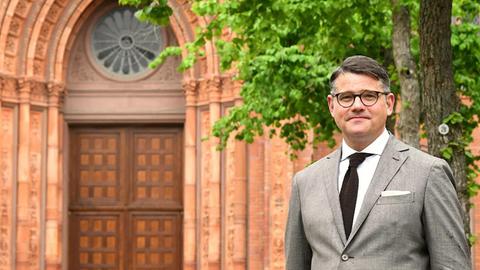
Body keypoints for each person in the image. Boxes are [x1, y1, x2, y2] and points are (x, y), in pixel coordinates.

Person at [285, 55, 471, 269]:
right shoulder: (306, 182)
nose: (357, 106)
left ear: (389, 103)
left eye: (369, 96)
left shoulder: (428, 172)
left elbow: (451, 265)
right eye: (346, 97)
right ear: (331, 105)